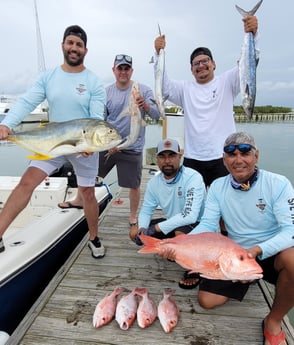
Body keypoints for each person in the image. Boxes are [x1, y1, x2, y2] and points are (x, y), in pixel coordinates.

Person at [164, 132, 294, 345]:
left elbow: (291, 231)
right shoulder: (217, 186)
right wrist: (176, 243)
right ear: (224, 160)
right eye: (231, 154)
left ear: (256, 156)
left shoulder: (278, 184)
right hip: (233, 256)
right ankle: (248, 278)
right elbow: (208, 225)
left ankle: (273, 320)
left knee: (293, 259)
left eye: (245, 152)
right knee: (206, 301)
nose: (238, 159)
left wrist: (256, 251)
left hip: (269, 252)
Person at [0, 25, 107, 259]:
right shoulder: (48, 77)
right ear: (62, 45)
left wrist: (90, 143)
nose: (74, 48)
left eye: (79, 45)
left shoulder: (94, 82)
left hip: (83, 145)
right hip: (54, 143)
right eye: (70, 43)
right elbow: (27, 102)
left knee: (87, 192)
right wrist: (7, 124)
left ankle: (93, 238)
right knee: (27, 182)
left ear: (85, 50)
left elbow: (96, 118)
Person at [154, 15, 259, 188]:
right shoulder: (184, 89)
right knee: (195, 204)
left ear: (214, 64)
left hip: (223, 157)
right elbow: (163, 87)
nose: (201, 65)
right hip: (193, 159)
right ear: (191, 69)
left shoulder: (227, 82)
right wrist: (158, 54)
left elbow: (250, 63)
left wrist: (253, 34)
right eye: (196, 63)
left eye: (205, 61)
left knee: (226, 204)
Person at [131, 138, 206, 289]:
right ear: (157, 159)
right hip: (172, 222)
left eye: (171, 156)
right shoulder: (154, 182)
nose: (167, 161)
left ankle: (194, 269)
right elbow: (146, 209)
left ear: (180, 157)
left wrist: (156, 228)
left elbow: (190, 215)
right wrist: (143, 228)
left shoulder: (193, 177)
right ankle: (174, 251)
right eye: (162, 156)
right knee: (133, 233)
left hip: (198, 225)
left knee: (180, 234)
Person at [98, 54, 161, 227]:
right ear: (114, 70)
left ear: (132, 71)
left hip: (132, 146)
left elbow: (157, 115)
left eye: (127, 68)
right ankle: (80, 200)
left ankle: (133, 216)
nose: (123, 72)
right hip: (109, 145)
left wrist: (145, 106)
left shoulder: (144, 90)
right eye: (120, 68)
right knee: (91, 176)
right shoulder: (106, 92)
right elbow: (101, 120)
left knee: (134, 185)